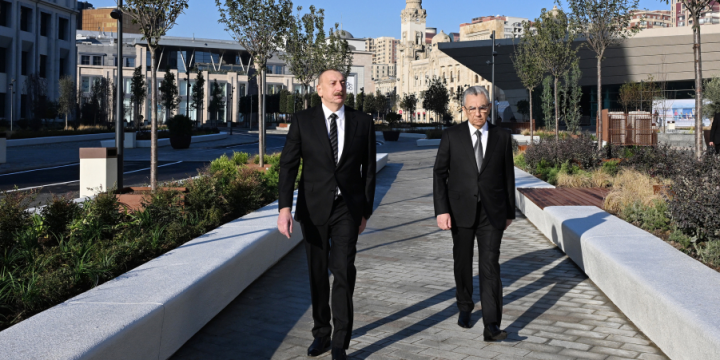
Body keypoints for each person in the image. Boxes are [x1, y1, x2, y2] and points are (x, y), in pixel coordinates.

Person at [277, 69, 376, 360]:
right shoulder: (303, 121)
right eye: (332, 83)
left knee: (343, 271)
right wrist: (284, 209)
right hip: (313, 208)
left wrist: (365, 211)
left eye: (343, 83)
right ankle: (321, 332)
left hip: (347, 208)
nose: (339, 87)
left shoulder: (363, 122)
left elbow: (369, 171)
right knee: (317, 273)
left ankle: (339, 342)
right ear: (319, 89)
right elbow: (288, 166)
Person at [433, 85, 516, 341]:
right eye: (472, 108)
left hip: (492, 213)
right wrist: (442, 210)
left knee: (490, 265)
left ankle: (491, 325)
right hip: (460, 211)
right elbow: (439, 174)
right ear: (464, 109)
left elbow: (508, 175)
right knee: (463, 262)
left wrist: (510, 211)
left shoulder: (502, 136)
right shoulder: (452, 136)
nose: (478, 113)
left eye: (482, 107)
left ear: (489, 107)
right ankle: (465, 306)